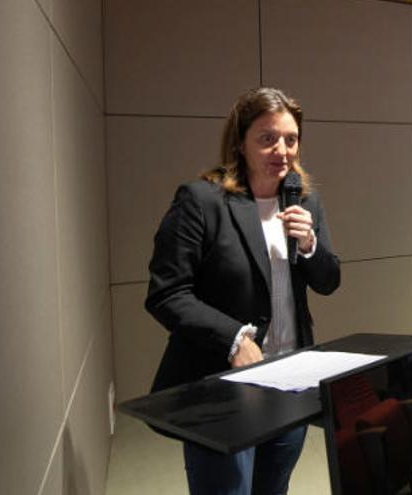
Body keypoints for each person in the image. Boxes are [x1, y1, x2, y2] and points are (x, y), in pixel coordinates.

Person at [145, 87, 341, 494]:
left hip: (290, 380)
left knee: (274, 486)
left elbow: (329, 281)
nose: (282, 150)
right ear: (240, 142)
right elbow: (167, 293)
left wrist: (309, 246)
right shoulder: (202, 201)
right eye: (267, 138)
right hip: (223, 387)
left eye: (291, 139)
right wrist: (233, 340)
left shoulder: (305, 201)